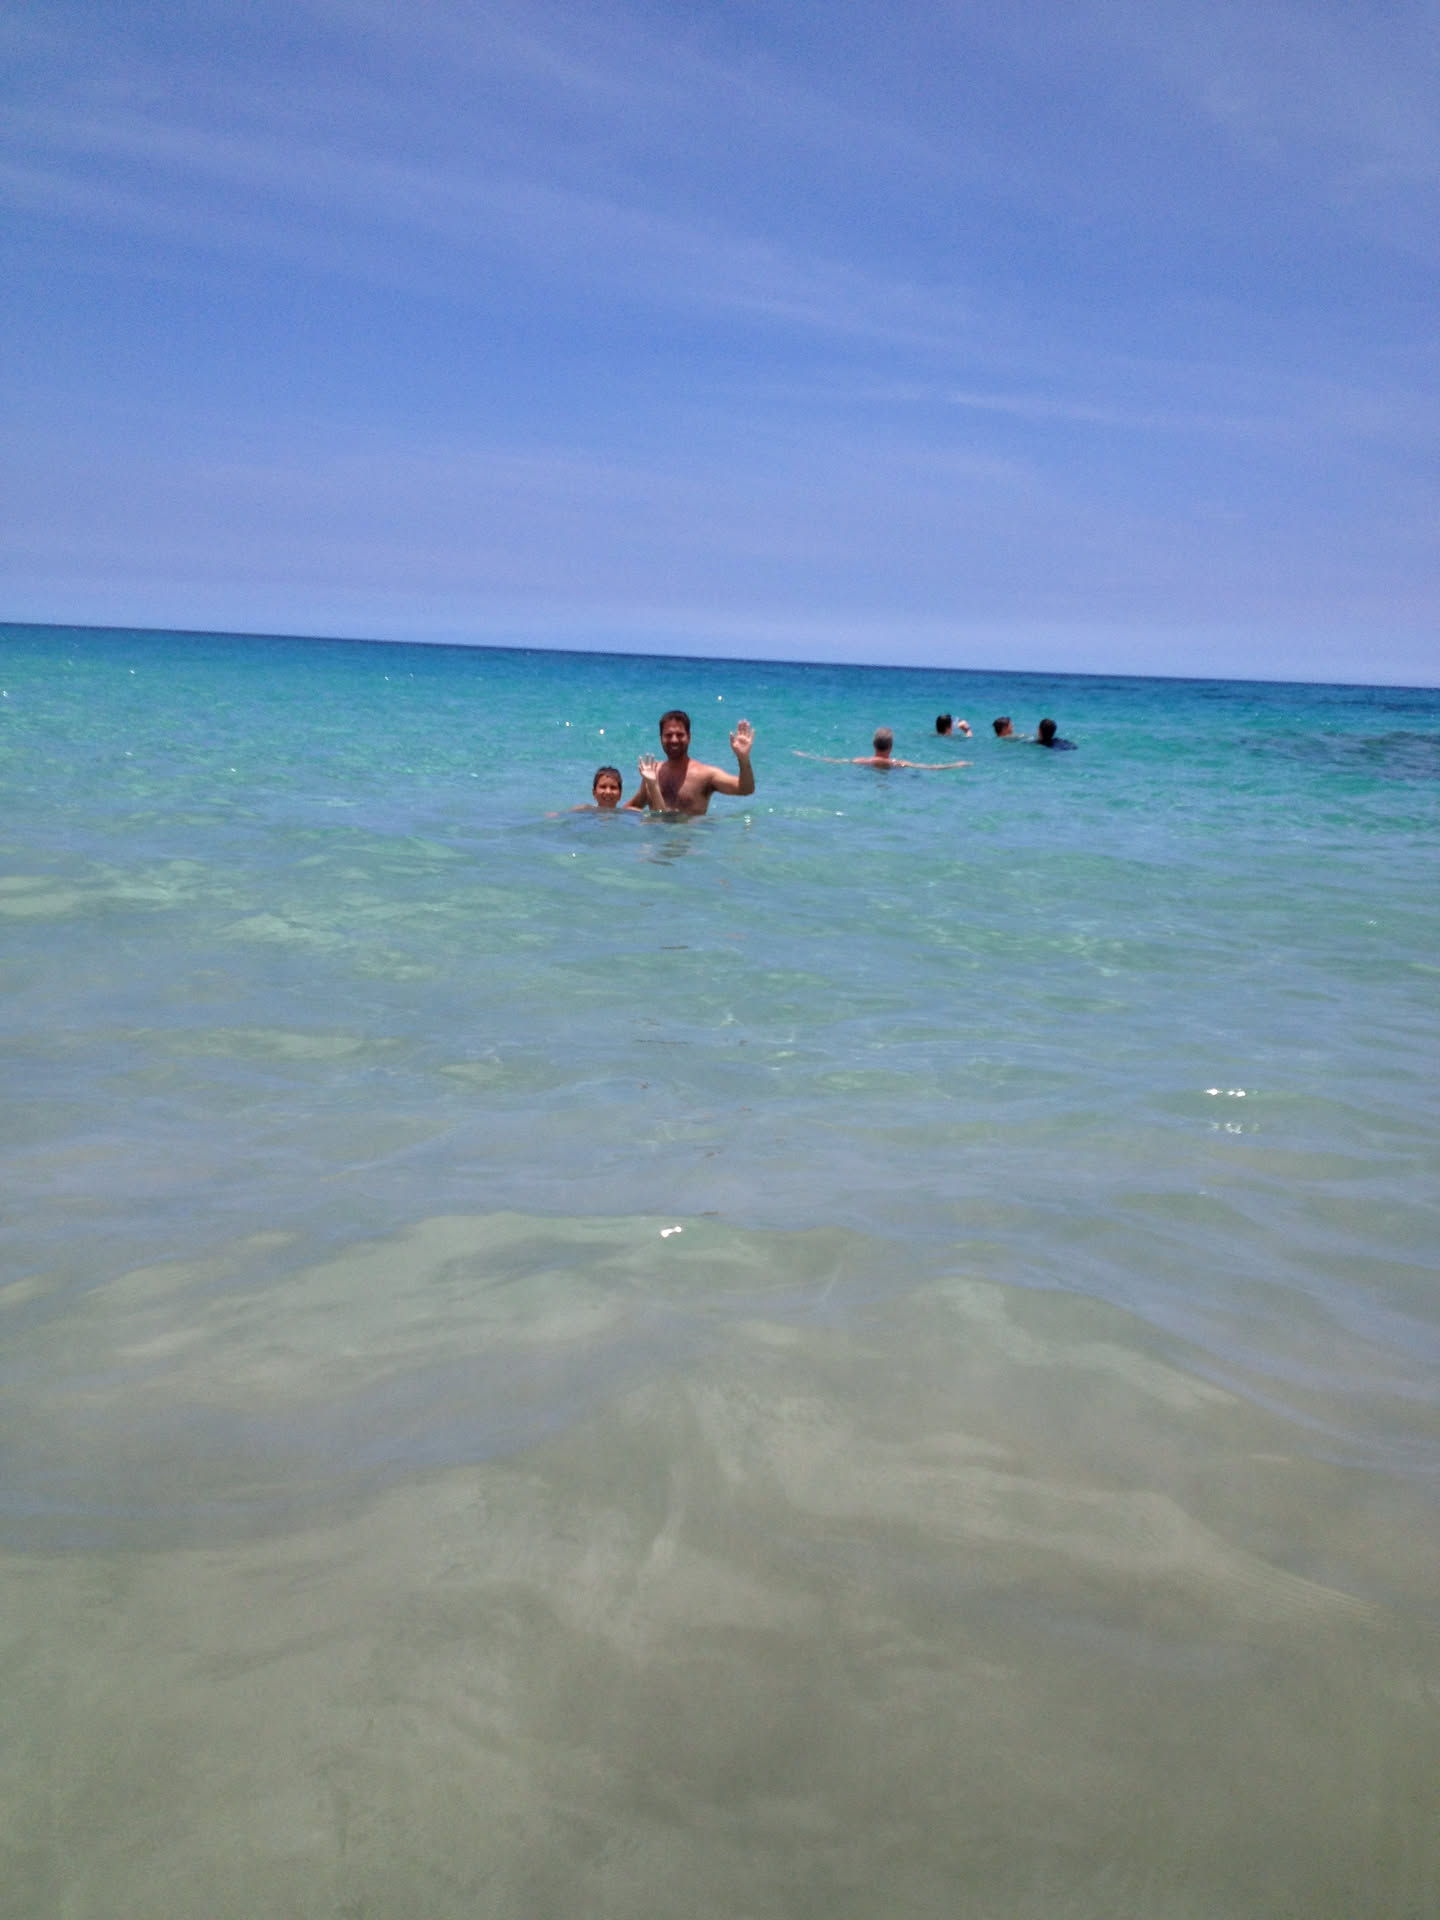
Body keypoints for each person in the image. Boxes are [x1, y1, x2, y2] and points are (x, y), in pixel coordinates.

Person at [626, 709, 756, 814]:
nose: (674, 740)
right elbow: (630, 808)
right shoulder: (652, 773)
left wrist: (743, 758)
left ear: (689, 737)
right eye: (668, 735)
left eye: (680, 735)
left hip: (690, 838)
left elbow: (745, 789)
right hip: (657, 839)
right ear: (661, 738)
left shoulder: (705, 775)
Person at [794, 727, 969, 770]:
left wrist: (805, 755)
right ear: (891, 747)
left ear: (873, 745)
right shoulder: (898, 763)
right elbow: (930, 767)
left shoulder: (862, 761)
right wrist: (957, 764)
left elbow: (832, 761)